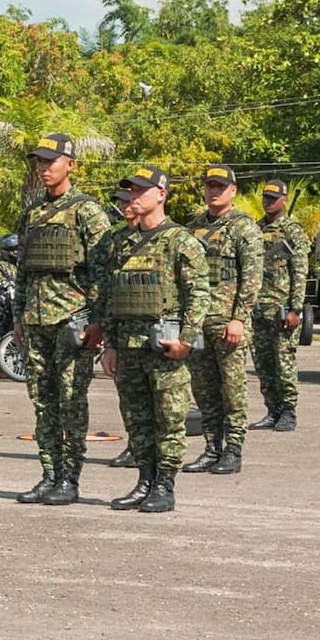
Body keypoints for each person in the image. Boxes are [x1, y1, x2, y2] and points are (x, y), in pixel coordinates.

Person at [100, 166, 209, 512]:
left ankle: (164, 486)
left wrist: (186, 341)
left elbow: (199, 294)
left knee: (169, 420)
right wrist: (110, 345)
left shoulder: (180, 241)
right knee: (137, 420)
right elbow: (112, 297)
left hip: (164, 347)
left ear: (161, 194)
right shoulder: (121, 242)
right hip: (128, 347)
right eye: (130, 190)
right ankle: (144, 480)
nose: (133, 196)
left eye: (140, 190)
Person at [13, 133, 110, 506]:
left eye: (51, 161)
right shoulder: (32, 213)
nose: (44, 167)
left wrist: (98, 321)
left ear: (70, 164)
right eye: (40, 161)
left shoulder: (87, 211)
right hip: (36, 321)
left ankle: (69, 479)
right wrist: (19, 316)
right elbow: (23, 271)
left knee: (71, 402)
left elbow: (102, 271)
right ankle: (49, 474)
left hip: (72, 322)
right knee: (42, 402)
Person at [183, 165, 263, 475]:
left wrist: (239, 318)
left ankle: (233, 449)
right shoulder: (192, 229)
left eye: (220, 186)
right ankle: (212, 446)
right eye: (210, 186)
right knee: (204, 390)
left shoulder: (243, 227)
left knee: (232, 389)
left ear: (233, 190)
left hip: (228, 322)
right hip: (198, 323)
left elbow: (252, 276)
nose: (214, 191)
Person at [250, 179, 310, 432]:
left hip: (282, 310)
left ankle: (288, 412)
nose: (268, 202)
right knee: (263, 365)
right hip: (258, 309)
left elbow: (300, 271)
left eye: (274, 198)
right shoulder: (255, 229)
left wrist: (296, 308)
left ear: (284, 200)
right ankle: (272, 410)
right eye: (266, 197)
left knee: (283, 362)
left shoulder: (292, 230)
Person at [99, 182, 140, 470]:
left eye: (129, 200)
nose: (126, 205)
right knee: (127, 394)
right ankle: (135, 444)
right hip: (121, 325)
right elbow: (105, 284)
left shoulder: (161, 235)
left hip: (151, 328)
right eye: (121, 201)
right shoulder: (113, 239)